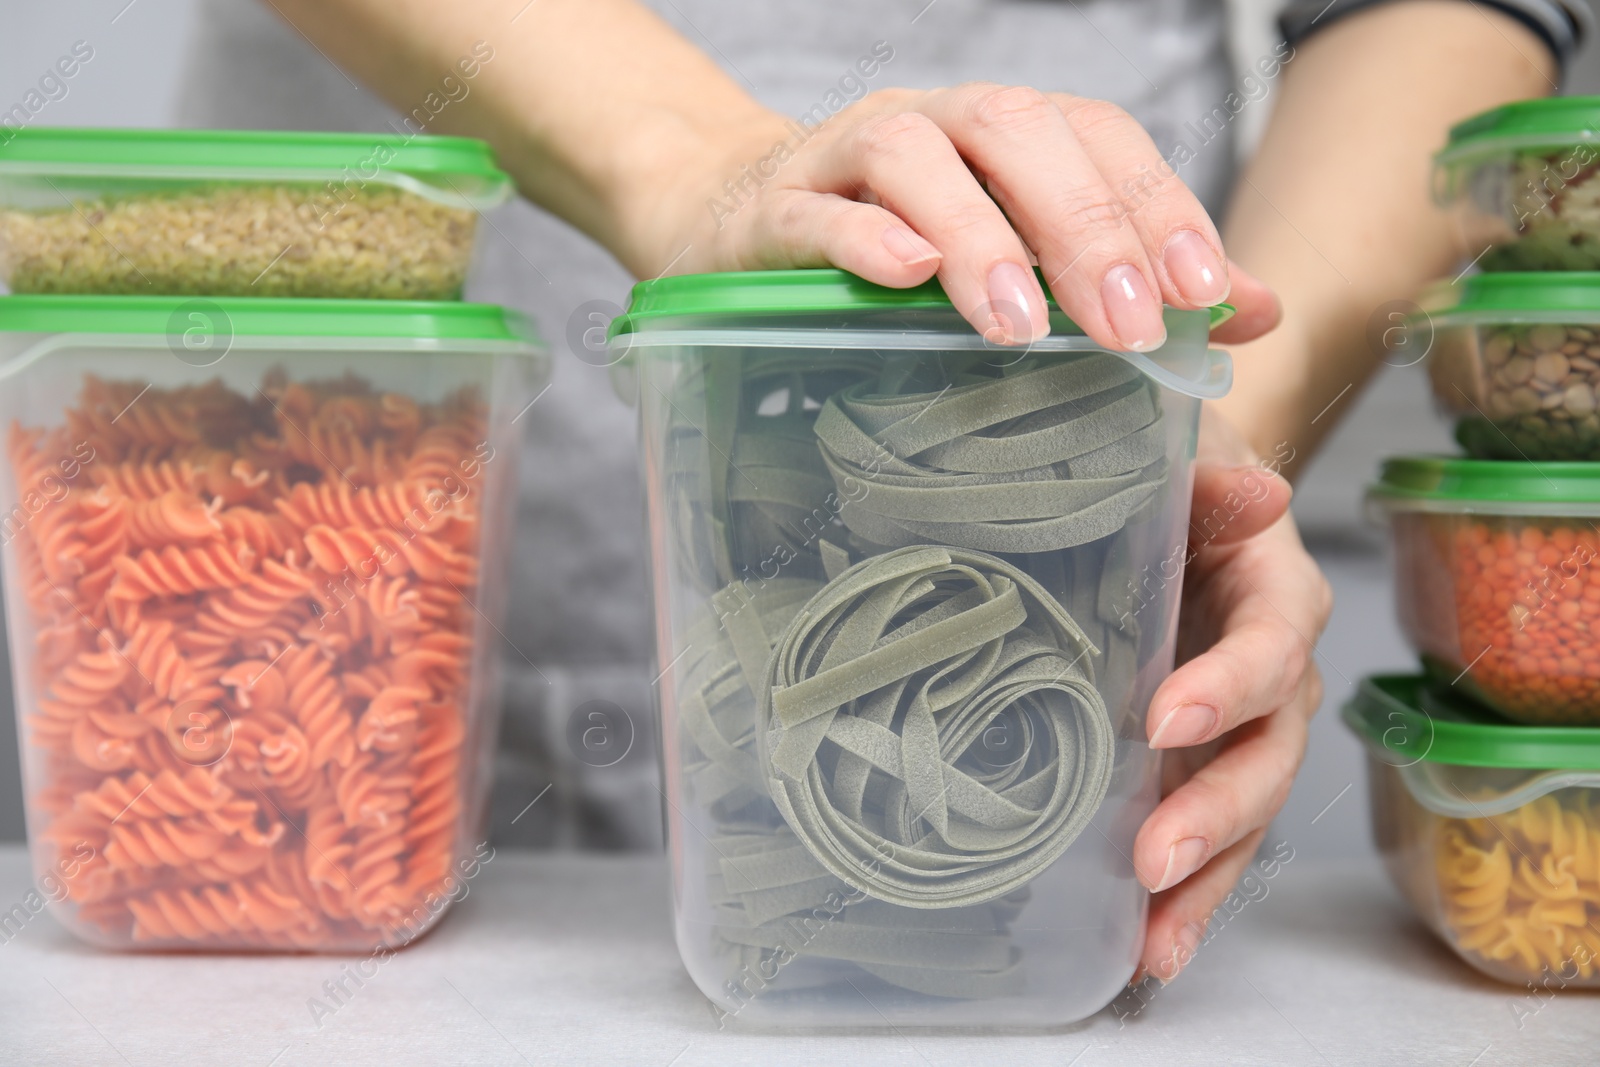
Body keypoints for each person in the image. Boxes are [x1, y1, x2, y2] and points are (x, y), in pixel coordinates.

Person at [177, 0, 1584, 982]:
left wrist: (1187, 459)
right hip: (392, 532)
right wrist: (699, 170)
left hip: (1082, 390)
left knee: (1027, 945)